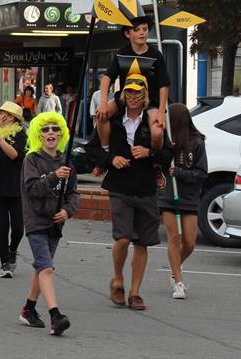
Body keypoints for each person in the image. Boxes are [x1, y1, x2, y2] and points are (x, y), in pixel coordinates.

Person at [87, 72, 172, 311]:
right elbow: (92, 150)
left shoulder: (153, 122)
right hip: (120, 186)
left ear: (145, 96)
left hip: (146, 188)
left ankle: (135, 293)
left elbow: (168, 154)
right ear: (124, 95)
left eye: (138, 92)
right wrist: (111, 159)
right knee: (123, 238)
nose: (133, 97)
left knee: (142, 243)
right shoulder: (112, 121)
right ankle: (117, 279)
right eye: (130, 92)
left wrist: (150, 153)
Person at [18, 111, 79, 336]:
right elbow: (32, 189)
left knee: (41, 268)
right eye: (45, 129)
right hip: (35, 222)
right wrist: (54, 176)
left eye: (55, 128)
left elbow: (73, 193)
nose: (50, 132)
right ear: (38, 134)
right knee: (46, 268)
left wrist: (67, 211)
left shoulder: (66, 161)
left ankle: (28, 310)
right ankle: (55, 315)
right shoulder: (31, 160)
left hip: (55, 223)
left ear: (61, 133)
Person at [96, 15, 170, 153]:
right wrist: (103, 102)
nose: (142, 32)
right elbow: (106, 78)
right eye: (137, 29)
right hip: (126, 98)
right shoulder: (121, 53)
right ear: (127, 33)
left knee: (157, 132)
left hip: (151, 101)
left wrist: (161, 112)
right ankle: (105, 151)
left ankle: (156, 162)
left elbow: (164, 85)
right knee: (101, 116)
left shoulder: (156, 55)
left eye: (145, 29)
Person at [159, 103, 206, 299]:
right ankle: (178, 283)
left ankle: (174, 267)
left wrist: (178, 172)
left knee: (189, 243)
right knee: (174, 238)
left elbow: (202, 173)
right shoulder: (166, 142)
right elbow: (157, 163)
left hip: (188, 198)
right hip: (169, 196)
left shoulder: (196, 143)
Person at [0, 102, 27, 278]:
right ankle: (4, 264)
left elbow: (14, 154)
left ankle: (12, 250)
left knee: (18, 228)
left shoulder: (20, 134)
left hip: (16, 186)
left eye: (1, 112)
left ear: (10, 117)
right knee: (3, 225)